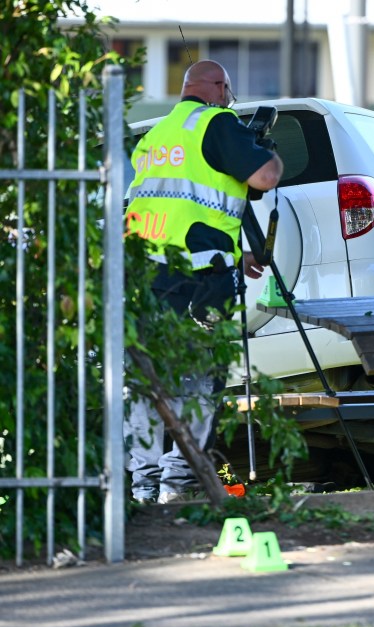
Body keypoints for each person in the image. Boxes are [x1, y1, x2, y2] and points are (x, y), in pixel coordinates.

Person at [123, 60, 283, 504]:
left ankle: (142, 485)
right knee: (200, 382)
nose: (230, 101)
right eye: (228, 92)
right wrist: (267, 148)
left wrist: (241, 253)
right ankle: (179, 483)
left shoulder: (154, 136)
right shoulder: (218, 122)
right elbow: (264, 177)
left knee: (147, 381)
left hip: (146, 276)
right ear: (217, 87)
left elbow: (179, 209)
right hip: (200, 281)